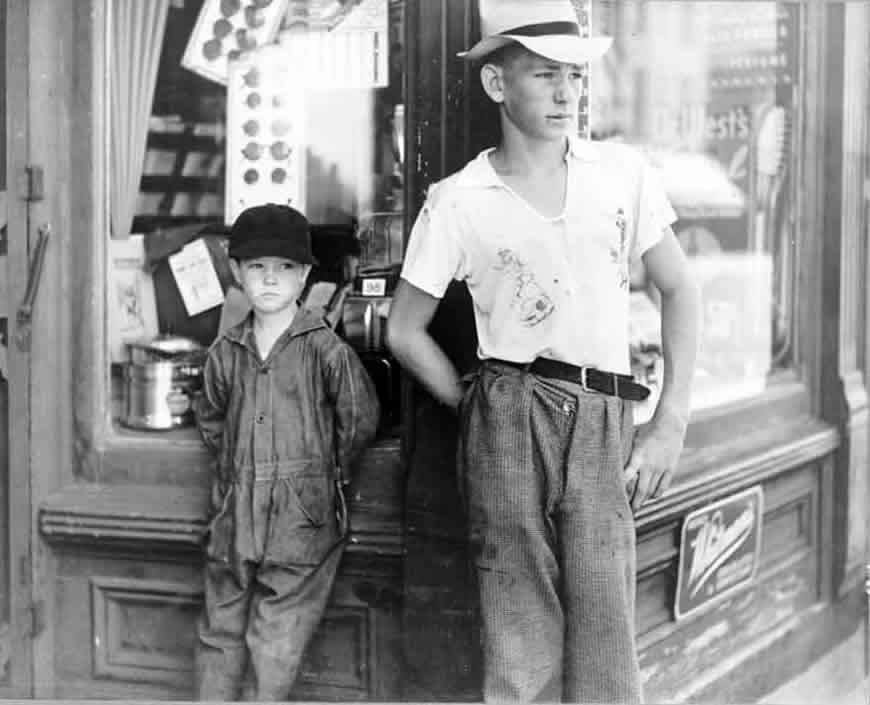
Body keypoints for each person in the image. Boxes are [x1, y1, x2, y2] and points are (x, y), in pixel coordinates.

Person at [386, 0, 701, 702]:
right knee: (519, 640)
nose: (567, 94)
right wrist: (473, 398)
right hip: (507, 416)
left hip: (600, 420)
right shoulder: (459, 200)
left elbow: (682, 291)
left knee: (606, 634)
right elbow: (404, 330)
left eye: (575, 76)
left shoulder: (621, 173)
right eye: (545, 76)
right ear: (498, 85)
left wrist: (670, 421)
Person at [194, 203, 380, 700]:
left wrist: (321, 477)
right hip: (236, 513)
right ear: (236, 273)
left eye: (285, 268)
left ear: (305, 276)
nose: (270, 280)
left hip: (301, 516)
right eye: (257, 268)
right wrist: (238, 474)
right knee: (220, 631)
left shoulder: (325, 351)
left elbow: (358, 419)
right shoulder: (225, 353)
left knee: (276, 639)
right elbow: (211, 416)